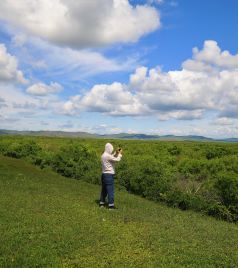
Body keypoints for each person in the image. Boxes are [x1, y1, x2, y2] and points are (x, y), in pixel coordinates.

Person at [99, 143, 122, 210]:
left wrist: (116, 152)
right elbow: (117, 159)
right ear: (109, 148)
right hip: (109, 175)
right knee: (110, 191)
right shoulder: (107, 156)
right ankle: (111, 206)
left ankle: (101, 203)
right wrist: (120, 154)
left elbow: (111, 156)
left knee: (104, 190)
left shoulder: (103, 155)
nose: (111, 150)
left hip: (104, 175)